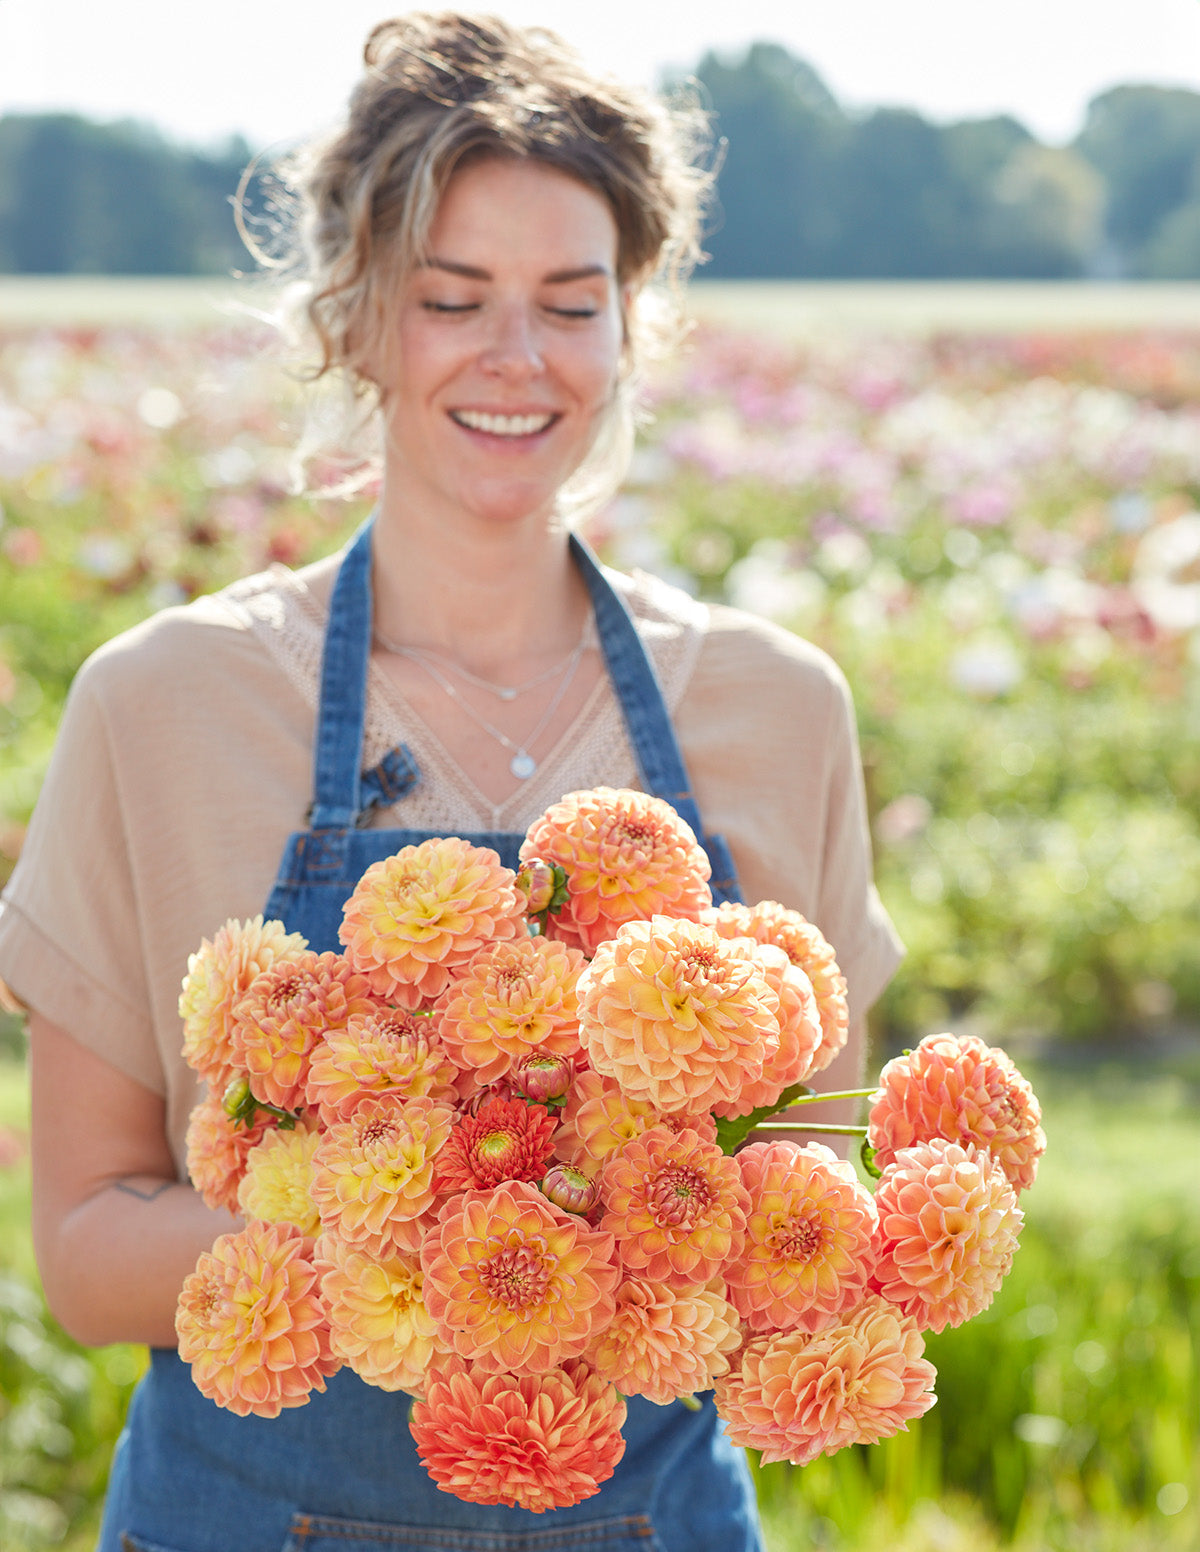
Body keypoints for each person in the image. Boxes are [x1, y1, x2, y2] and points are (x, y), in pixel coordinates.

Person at [0, 13, 902, 1551]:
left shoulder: (775, 706)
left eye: (571, 302)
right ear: (356, 319)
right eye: (452, 299)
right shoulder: (162, 708)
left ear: (633, 327)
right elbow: (85, 1252)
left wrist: (641, 1260)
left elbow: (813, 1204)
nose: (516, 356)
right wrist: (405, 1251)